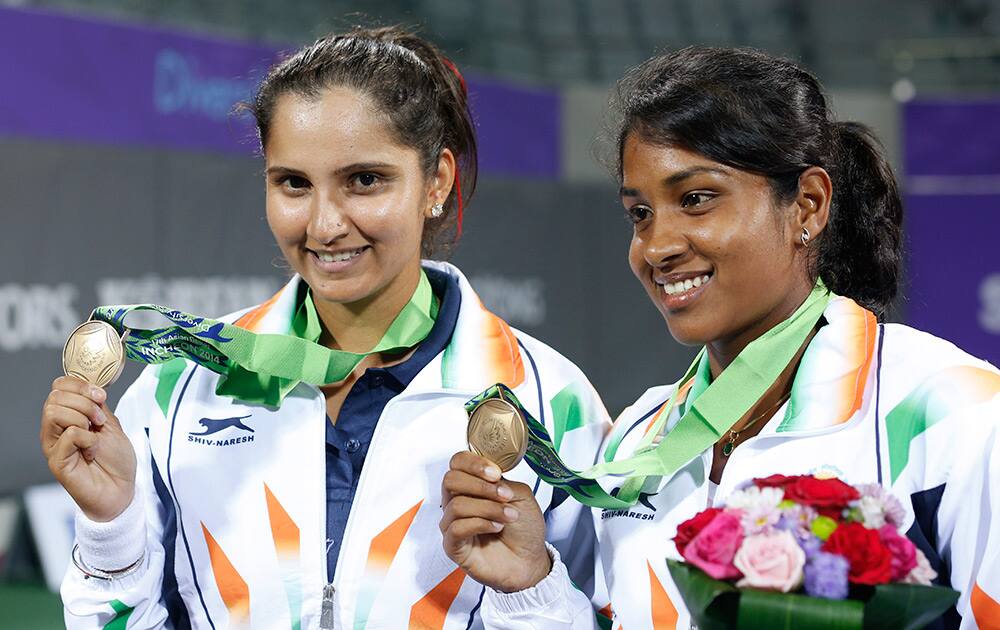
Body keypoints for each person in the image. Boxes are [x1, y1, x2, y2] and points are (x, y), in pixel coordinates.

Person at [40, 27, 610, 629]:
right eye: (294, 183)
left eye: (365, 180)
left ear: (436, 182)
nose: (325, 224)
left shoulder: (548, 401)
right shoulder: (178, 389)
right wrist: (108, 530)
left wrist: (528, 594)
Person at [440, 47, 1000, 629]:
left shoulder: (951, 410)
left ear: (807, 205)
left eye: (696, 199)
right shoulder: (638, 439)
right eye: (640, 213)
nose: (657, 247)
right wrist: (529, 583)